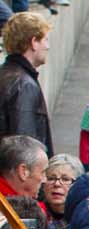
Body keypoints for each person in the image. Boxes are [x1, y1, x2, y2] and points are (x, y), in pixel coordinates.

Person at [0, 11, 51, 147]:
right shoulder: (24, 85)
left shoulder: (6, 73)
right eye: (45, 40)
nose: (48, 46)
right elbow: (25, 148)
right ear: (34, 42)